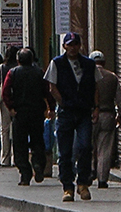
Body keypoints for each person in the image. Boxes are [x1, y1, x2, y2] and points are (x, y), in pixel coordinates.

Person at [45, 32, 97, 202]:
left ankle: (83, 183)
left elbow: (96, 87)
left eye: (75, 44)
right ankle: (67, 187)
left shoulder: (89, 64)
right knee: (65, 152)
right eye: (69, 44)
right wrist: (62, 103)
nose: (73, 48)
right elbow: (52, 86)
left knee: (85, 146)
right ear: (64, 46)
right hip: (66, 113)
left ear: (80, 46)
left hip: (83, 111)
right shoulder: (57, 63)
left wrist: (95, 107)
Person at [4, 47, 52, 187]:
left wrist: (11, 107)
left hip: (20, 113)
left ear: (18, 60)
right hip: (37, 112)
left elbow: (5, 92)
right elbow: (47, 91)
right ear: (32, 59)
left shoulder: (12, 73)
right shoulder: (39, 73)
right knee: (38, 141)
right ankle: (38, 164)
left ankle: (25, 173)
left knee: (20, 144)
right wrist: (50, 107)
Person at [89, 50, 121, 189]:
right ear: (103, 62)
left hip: (90, 115)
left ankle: (91, 171)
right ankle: (102, 179)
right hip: (107, 115)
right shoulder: (112, 77)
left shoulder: (87, 76)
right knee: (105, 148)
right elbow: (120, 99)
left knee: (89, 146)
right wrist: (119, 114)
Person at [0, 45, 19, 166]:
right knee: (17, 130)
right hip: (18, 101)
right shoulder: (18, 67)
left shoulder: (2, 67)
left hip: (5, 101)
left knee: (4, 130)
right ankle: (17, 157)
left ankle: (5, 158)